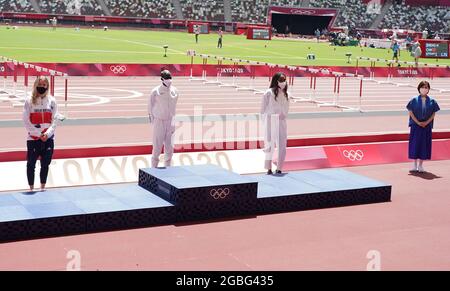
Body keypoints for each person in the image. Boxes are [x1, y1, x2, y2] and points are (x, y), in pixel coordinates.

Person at [22, 76, 58, 191]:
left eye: (44, 85)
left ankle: (43, 187)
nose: (41, 87)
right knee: (31, 165)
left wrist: (47, 134)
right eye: (40, 84)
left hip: (48, 139)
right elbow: (26, 120)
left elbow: (55, 120)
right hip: (33, 139)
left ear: (47, 86)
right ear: (35, 85)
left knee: (45, 164)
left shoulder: (52, 101)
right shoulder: (29, 100)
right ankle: (31, 188)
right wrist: (38, 134)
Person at [406, 81, 440, 173]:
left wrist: (426, 122)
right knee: (415, 144)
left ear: (428, 89)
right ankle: (414, 164)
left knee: (424, 145)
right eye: (422, 87)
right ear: (419, 88)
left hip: (426, 127)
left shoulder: (432, 101)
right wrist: (417, 122)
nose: (424, 89)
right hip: (416, 126)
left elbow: (433, 114)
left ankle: (421, 165)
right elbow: (410, 112)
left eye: (426, 87)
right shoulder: (413, 100)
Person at [148, 70, 179, 168]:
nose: (169, 80)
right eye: (166, 78)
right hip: (159, 121)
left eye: (170, 78)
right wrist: (154, 121)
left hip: (171, 122)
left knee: (169, 148)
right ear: (162, 79)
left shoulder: (175, 91)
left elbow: (174, 106)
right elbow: (150, 106)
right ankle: (153, 169)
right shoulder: (155, 91)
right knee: (157, 147)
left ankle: (168, 168)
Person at [261, 72, 290, 175]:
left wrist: (283, 116)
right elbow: (263, 109)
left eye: (284, 80)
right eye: (281, 80)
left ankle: (279, 168)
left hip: (281, 122)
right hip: (270, 120)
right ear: (276, 80)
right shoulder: (268, 92)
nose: (283, 82)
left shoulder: (286, 94)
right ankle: (268, 168)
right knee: (269, 145)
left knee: (282, 145)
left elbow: (286, 109)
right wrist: (265, 122)